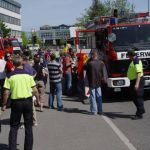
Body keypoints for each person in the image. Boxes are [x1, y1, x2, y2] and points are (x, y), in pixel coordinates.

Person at [1, 55, 39, 150]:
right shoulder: (28, 75)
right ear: (22, 63)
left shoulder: (10, 76)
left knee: (14, 126)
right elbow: (35, 90)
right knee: (28, 127)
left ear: (13, 64)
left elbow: (6, 92)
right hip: (27, 101)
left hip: (16, 103)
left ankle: (12, 148)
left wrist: (4, 104)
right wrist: (37, 99)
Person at [127, 49, 145, 120]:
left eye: (128, 55)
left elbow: (139, 73)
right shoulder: (134, 60)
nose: (128, 57)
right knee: (133, 96)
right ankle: (141, 109)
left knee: (138, 97)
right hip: (133, 81)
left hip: (138, 81)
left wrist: (137, 84)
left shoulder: (136, 61)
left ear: (130, 55)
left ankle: (139, 114)